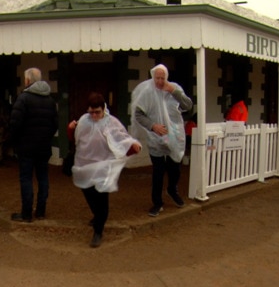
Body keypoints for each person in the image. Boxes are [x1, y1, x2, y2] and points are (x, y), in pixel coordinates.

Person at [68, 92, 141, 247]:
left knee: (101, 198)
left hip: (104, 165)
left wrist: (132, 145)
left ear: (103, 109)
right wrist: (70, 129)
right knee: (88, 192)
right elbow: (74, 138)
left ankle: (98, 231)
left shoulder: (111, 122)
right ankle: (97, 216)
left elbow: (122, 137)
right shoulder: (83, 120)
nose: (94, 115)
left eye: (97, 112)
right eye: (91, 112)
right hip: (84, 164)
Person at [131, 64, 193, 217]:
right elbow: (138, 114)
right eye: (157, 78)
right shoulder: (147, 92)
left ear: (166, 77)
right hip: (156, 136)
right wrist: (153, 126)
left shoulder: (174, 88)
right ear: (153, 76)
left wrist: (173, 90)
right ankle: (157, 203)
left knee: (174, 167)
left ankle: (172, 189)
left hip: (174, 135)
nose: (159, 81)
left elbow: (188, 105)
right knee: (158, 171)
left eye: (162, 78)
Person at [8, 68, 58, 222]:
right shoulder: (50, 100)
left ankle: (27, 213)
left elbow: (15, 124)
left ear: (28, 80)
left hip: (26, 147)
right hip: (43, 146)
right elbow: (55, 124)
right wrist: (45, 137)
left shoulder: (23, 98)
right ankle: (41, 211)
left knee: (26, 179)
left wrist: (14, 141)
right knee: (43, 178)